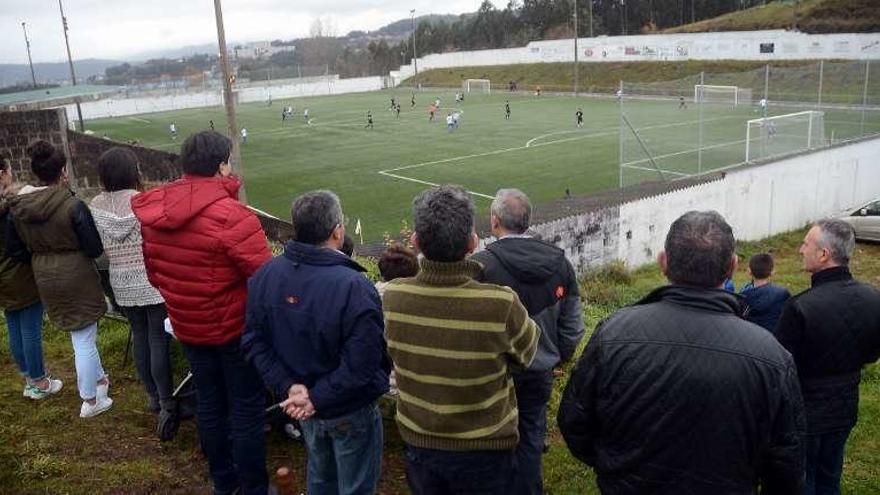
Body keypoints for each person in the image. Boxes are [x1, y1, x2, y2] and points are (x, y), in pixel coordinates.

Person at [558, 210, 806, 494]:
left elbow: (576, 423)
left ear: (662, 261)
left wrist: (616, 468)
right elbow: (788, 464)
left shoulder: (613, 333)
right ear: (733, 266)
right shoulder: (771, 356)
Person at [132, 131, 272, 494]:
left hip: (188, 324)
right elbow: (264, 279)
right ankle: (252, 487)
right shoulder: (231, 215)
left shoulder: (157, 212)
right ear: (221, 165)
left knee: (210, 401)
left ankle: (223, 482)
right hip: (232, 328)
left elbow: (154, 273)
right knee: (245, 407)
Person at [384, 185, 540, 494]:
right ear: (473, 242)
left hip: (421, 441)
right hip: (485, 448)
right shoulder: (500, 303)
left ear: (416, 242)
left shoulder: (394, 297)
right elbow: (527, 353)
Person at [242, 190, 390, 495]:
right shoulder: (354, 286)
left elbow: (254, 341)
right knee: (353, 485)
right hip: (343, 408)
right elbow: (363, 366)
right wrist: (306, 395)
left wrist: (295, 390)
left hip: (305, 402)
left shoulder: (267, 274)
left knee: (322, 478)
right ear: (337, 231)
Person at [471, 189, 584, 495]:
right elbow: (573, 325)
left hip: (495, 374)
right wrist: (557, 356)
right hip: (538, 369)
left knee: (491, 439)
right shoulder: (560, 262)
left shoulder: (480, 266)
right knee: (531, 436)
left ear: (494, 222)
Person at [773, 219, 880, 494]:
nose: (800, 249)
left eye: (806, 243)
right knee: (830, 475)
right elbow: (872, 353)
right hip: (846, 406)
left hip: (805, 410)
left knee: (803, 480)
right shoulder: (873, 298)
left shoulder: (799, 307)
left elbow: (781, 367)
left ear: (823, 254)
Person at [7, 140, 112, 418]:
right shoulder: (72, 205)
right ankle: (90, 400)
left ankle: (99, 380)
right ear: (63, 171)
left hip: (44, 271)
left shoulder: (19, 206)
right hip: (75, 271)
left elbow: (15, 248)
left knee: (80, 332)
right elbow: (94, 247)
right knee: (84, 337)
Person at [89, 147, 176, 438]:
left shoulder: (95, 204)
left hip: (120, 280)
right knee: (157, 339)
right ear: (132, 171)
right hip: (152, 278)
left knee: (140, 335)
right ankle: (166, 399)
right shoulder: (144, 201)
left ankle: (151, 395)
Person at [1, 156, 61, 400]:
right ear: (2, 174)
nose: (12, 174)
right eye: (9, 170)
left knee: (13, 324)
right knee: (30, 328)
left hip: (3, 278)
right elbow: (19, 244)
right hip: (20, 274)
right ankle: (40, 381)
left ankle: (29, 377)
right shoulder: (8, 208)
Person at [740, 253, 790, 331]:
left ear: (749, 271)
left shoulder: (742, 296)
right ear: (772, 272)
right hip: (773, 339)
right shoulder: (783, 294)